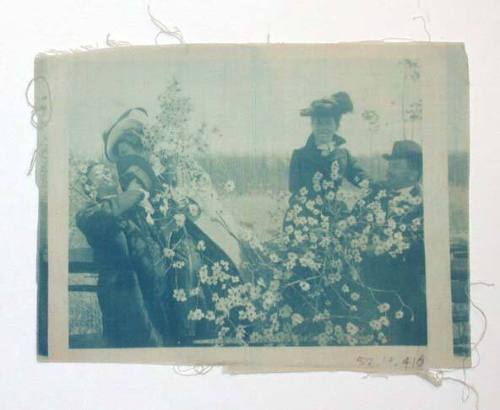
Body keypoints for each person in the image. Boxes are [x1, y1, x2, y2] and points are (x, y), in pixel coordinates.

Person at [76, 163, 169, 347]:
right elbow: (109, 211)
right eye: (97, 173)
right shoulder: (88, 213)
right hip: (121, 295)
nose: (105, 173)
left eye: (106, 170)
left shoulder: (135, 212)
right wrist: (138, 193)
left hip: (151, 294)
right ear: (89, 186)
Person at [358, 140, 427, 345]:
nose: (389, 170)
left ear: (413, 173)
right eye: (389, 164)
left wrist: (383, 249)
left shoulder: (424, 204)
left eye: (396, 166)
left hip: (405, 286)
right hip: (369, 283)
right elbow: (354, 224)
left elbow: (420, 249)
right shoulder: (375, 194)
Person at [288, 92, 367, 197]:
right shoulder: (300, 156)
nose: (323, 128)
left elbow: (364, 182)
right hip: (306, 211)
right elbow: (295, 193)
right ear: (312, 125)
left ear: (336, 126)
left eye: (328, 123)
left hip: (334, 211)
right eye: (319, 123)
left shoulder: (344, 156)